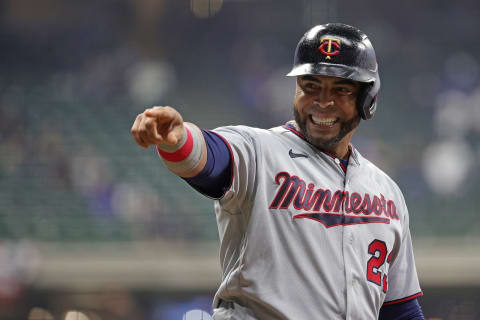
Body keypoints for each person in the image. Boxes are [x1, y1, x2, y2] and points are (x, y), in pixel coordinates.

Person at [131, 23, 424, 320]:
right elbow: (209, 158)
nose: (323, 101)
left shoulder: (387, 192)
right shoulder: (259, 150)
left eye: (341, 90)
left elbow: (400, 310)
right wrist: (179, 140)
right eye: (310, 86)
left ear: (367, 98)